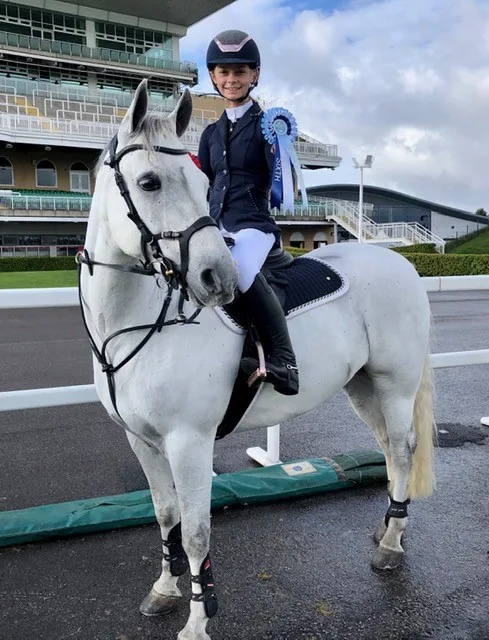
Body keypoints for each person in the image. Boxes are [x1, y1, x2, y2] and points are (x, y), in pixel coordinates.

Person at [198, 29, 299, 396]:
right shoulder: (210, 134)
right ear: (212, 76)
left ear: (254, 75)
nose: (231, 79)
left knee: (236, 270)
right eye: (223, 72)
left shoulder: (269, 125)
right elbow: (207, 183)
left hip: (254, 226)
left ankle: (284, 359)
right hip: (216, 226)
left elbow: (284, 181)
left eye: (239, 71)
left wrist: (282, 151)